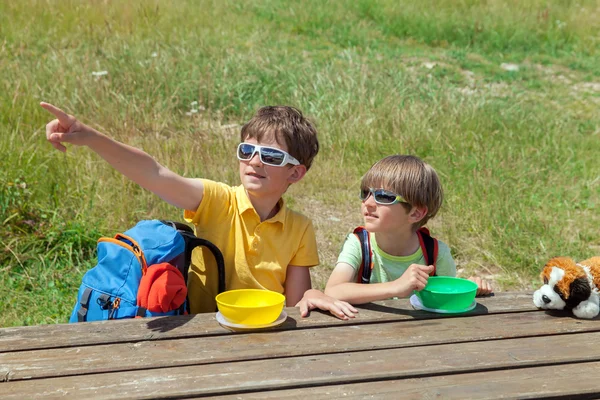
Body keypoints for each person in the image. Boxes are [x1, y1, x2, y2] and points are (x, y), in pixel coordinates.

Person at [41, 102, 358, 320]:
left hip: (266, 333)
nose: (255, 161)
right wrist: (90, 137)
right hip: (203, 332)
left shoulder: (299, 227)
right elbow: (155, 173)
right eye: (247, 150)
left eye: (271, 156)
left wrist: (311, 296)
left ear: (295, 173)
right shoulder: (219, 201)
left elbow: (294, 303)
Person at [324, 155, 492, 304]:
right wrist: (395, 287)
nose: (367, 203)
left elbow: (446, 301)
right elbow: (332, 291)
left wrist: (472, 288)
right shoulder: (359, 244)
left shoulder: (435, 253)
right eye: (365, 192)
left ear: (416, 213)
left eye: (383, 196)